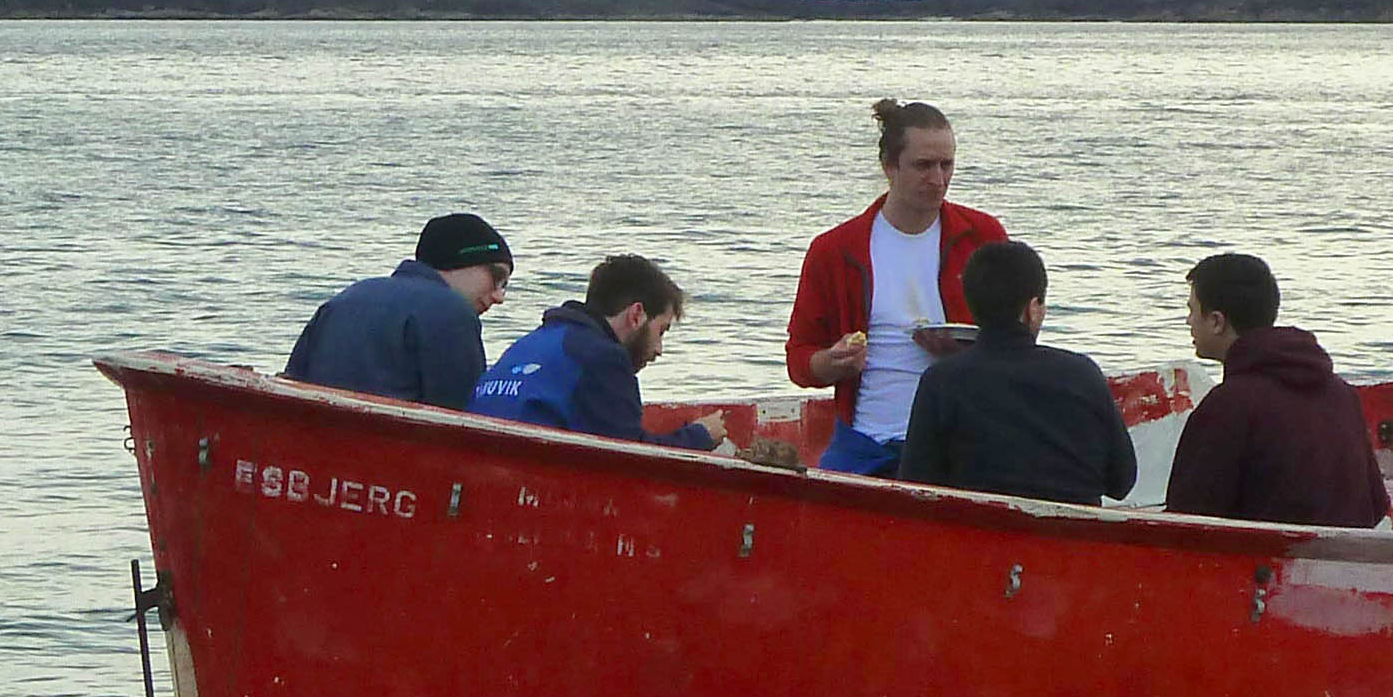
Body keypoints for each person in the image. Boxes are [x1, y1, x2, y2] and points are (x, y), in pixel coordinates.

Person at [785, 99, 1009, 474]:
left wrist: (968, 353)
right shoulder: (834, 250)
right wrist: (833, 362)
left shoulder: (984, 237)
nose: (938, 180)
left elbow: (1018, 337)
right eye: (923, 166)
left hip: (963, 434)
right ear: (889, 166)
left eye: (946, 165)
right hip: (867, 440)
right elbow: (799, 360)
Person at [899, 241, 1136, 507]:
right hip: (1073, 541)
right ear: (1032, 309)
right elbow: (1122, 481)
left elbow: (915, 485)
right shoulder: (1082, 374)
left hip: (979, 539)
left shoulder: (941, 380)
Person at [1165, 253, 1392, 528]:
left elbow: (1186, 522)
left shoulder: (1227, 406)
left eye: (1191, 310)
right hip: (1345, 565)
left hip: (1258, 567)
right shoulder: (1342, 394)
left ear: (1216, 321)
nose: (1188, 321)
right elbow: (1378, 506)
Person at [469, 255, 722, 450]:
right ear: (636, 315)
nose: (658, 350)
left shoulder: (529, 343)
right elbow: (632, 458)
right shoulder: (603, 359)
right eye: (661, 331)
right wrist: (699, 436)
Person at [284, 212, 514, 407]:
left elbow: (292, 384)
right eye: (497, 278)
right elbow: (464, 411)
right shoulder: (452, 312)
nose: (499, 296)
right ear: (459, 261)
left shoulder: (347, 297)